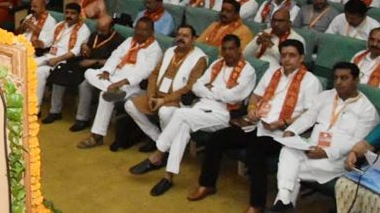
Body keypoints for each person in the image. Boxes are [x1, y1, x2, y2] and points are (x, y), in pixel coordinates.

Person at [189, 40, 322, 213]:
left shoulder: (310, 81)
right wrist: (252, 109)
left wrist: (284, 122)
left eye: (292, 55)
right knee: (218, 138)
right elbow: (255, 97)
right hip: (258, 125)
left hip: (283, 133)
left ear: (302, 58)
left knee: (255, 149)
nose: (287, 59)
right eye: (284, 55)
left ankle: (256, 205)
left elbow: (309, 113)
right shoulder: (273, 73)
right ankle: (207, 184)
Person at [129, 35, 256, 197]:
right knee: (182, 127)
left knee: (181, 114)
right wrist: (214, 91)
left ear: (239, 50)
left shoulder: (248, 71)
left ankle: (158, 155)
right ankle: (168, 176)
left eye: (232, 49)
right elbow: (196, 86)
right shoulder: (217, 64)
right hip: (201, 107)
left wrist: (211, 90)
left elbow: (234, 97)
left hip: (224, 114)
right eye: (224, 48)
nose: (228, 52)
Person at [270, 62, 379, 212]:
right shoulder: (326, 96)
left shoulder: (367, 110)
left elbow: (356, 142)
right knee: (288, 149)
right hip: (310, 147)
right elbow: (308, 117)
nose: (339, 82)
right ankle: (284, 201)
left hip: (335, 159)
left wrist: (326, 152)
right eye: (336, 78)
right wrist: (292, 131)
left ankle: (283, 202)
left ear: (356, 80)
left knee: (290, 171)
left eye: (344, 78)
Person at [78, 17, 162, 149]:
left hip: (130, 86)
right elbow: (114, 56)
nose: (140, 32)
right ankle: (112, 90)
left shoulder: (154, 49)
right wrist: (106, 71)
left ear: (152, 31)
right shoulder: (129, 41)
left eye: (144, 30)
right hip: (111, 80)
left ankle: (97, 136)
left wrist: (121, 82)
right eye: (138, 28)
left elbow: (145, 72)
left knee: (106, 96)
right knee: (89, 73)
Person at [125, 25, 208, 152]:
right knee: (130, 105)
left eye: (185, 36)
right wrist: (150, 95)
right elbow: (154, 74)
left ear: (194, 39)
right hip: (157, 95)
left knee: (164, 111)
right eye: (179, 35)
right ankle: (158, 139)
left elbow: (190, 86)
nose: (181, 38)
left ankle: (167, 151)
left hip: (178, 100)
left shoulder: (199, 58)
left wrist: (164, 100)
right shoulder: (170, 51)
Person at [47, 16, 123, 132]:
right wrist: (83, 45)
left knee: (84, 85)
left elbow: (116, 61)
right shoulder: (94, 35)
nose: (99, 32)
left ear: (111, 28)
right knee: (60, 72)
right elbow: (85, 46)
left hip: (101, 70)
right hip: (84, 64)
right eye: (98, 29)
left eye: (103, 30)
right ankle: (55, 111)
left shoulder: (118, 40)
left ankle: (82, 119)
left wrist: (94, 61)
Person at [34, 3, 91, 113]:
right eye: (67, 13)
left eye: (73, 13)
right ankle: (33, 106)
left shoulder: (83, 30)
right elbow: (49, 40)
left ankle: (37, 109)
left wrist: (57, 59)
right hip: (50, 57)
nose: (69, 16)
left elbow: (76, 51)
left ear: (79, 15)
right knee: (29, 65)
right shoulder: (60, 25)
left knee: (39, 72)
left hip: (66, 61)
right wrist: (40, 43)